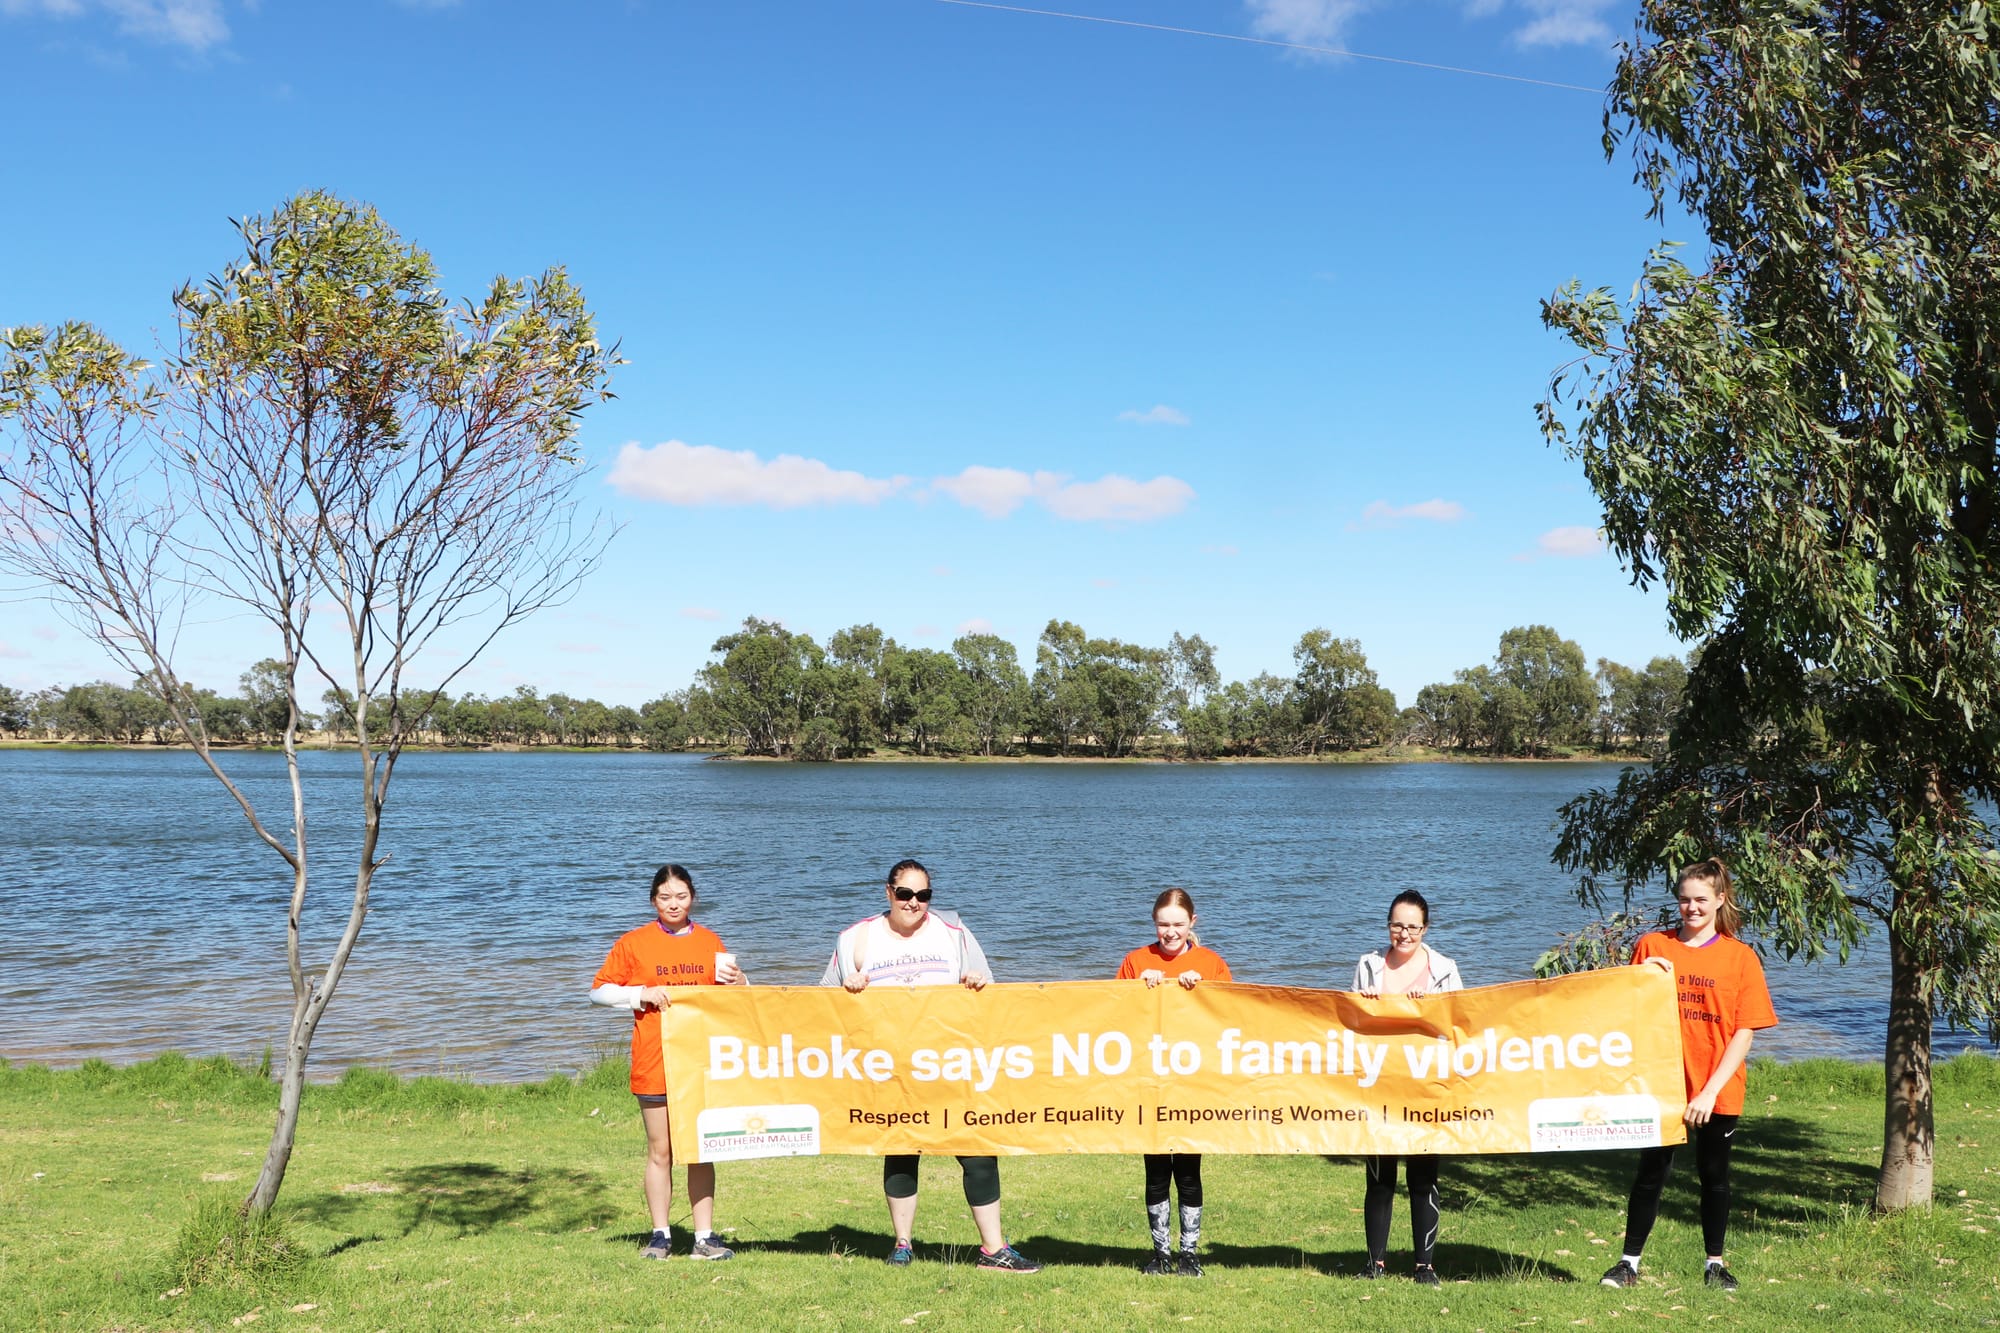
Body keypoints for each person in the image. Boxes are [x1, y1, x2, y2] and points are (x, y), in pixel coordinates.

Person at [820, 858, 1042, 1274]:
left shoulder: (952, 932)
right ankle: (902, 1244)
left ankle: (994, 1250)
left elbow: (989, 989)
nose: (914, 903)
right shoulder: (855, 938)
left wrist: (977, 982)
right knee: (902, 1151)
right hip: (889, 1069)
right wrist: (848, 991)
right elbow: (821, 1004)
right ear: (888, 892)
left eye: (923, 895)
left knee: (977, 1152)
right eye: (905, 894)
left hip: (950, 1065)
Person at [1601, 857, 1778, 1293]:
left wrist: (1709, 1092)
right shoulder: (1652, 946)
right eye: (1684, 900)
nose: (1691, 908)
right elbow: (1625, 1008)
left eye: (1701, 900)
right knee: (1651, 1172)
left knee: (1714, 1177)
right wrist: (1642, 977)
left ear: (1720, 900)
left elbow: (1744, 1033)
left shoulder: (1740, 957)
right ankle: (1628, 1265)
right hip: (1662, 1087)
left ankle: (1714, 1266)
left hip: (1716, 1089)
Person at [591, 863, 747, 1262]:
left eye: (680, 896)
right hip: (654, 1060)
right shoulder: (634, 943)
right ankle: (660, 1235)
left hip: (700, 1063)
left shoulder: (710, 941)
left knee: (700, 1149)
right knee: (660, 1151)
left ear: (692, 897)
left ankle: (705, 1238)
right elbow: (599, 991)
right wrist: (640, 994)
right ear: (653, 900)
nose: (673, 904)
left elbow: (733, 1000)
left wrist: (740, 981)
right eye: (664, 897)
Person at [1117, 887, 1231, 1277]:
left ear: (1193, 924)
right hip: (1148, 1081)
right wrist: (1136, 991)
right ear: (1154, 923)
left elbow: (1233, 1018)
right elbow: (1113, 1021)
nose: (1170, 932)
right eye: (1163, 924)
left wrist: (1206, 991)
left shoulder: (1211, 962)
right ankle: (1160, 1254)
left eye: (1178, 925)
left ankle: (1190, 1254)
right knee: (1155, 1169)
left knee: (1188, 1169)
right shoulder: (1135, 961)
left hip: (1193, 1083)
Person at [1352, 889, 1462, 1286]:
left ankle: (1424, 1266)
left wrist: (1430, 1006)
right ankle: (1375, 1263)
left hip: (1424, 1086)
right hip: (1379, 1085)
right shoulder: (1368, 965)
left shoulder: (1444, 969)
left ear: (1425, 928)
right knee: (1380, 1177)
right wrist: (1362, 1004)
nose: (1404, 933)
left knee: (1422, 1176)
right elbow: (1353, 1025)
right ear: (1388, 925)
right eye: (1397, 925)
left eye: (1413, 926)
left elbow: (1457, 1025)